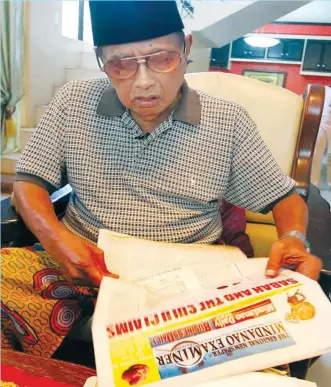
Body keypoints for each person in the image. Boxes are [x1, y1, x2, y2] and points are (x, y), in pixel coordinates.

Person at [1, 0, 321, 358]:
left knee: (250, 338)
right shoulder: (73, 102)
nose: (144, 82)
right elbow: (29, 183)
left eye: (161, 58)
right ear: (101, 61)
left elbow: (284, 197)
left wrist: (293, 238)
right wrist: (55, 238)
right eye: (121, 64)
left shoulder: (228, 121)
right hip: (82, 263)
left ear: (185, 48)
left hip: (188, 277)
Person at [311, 85, 331, 189]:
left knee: (330, 157)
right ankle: (313, 183)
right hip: (322, 126)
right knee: (316, 156)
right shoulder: (324, 90)